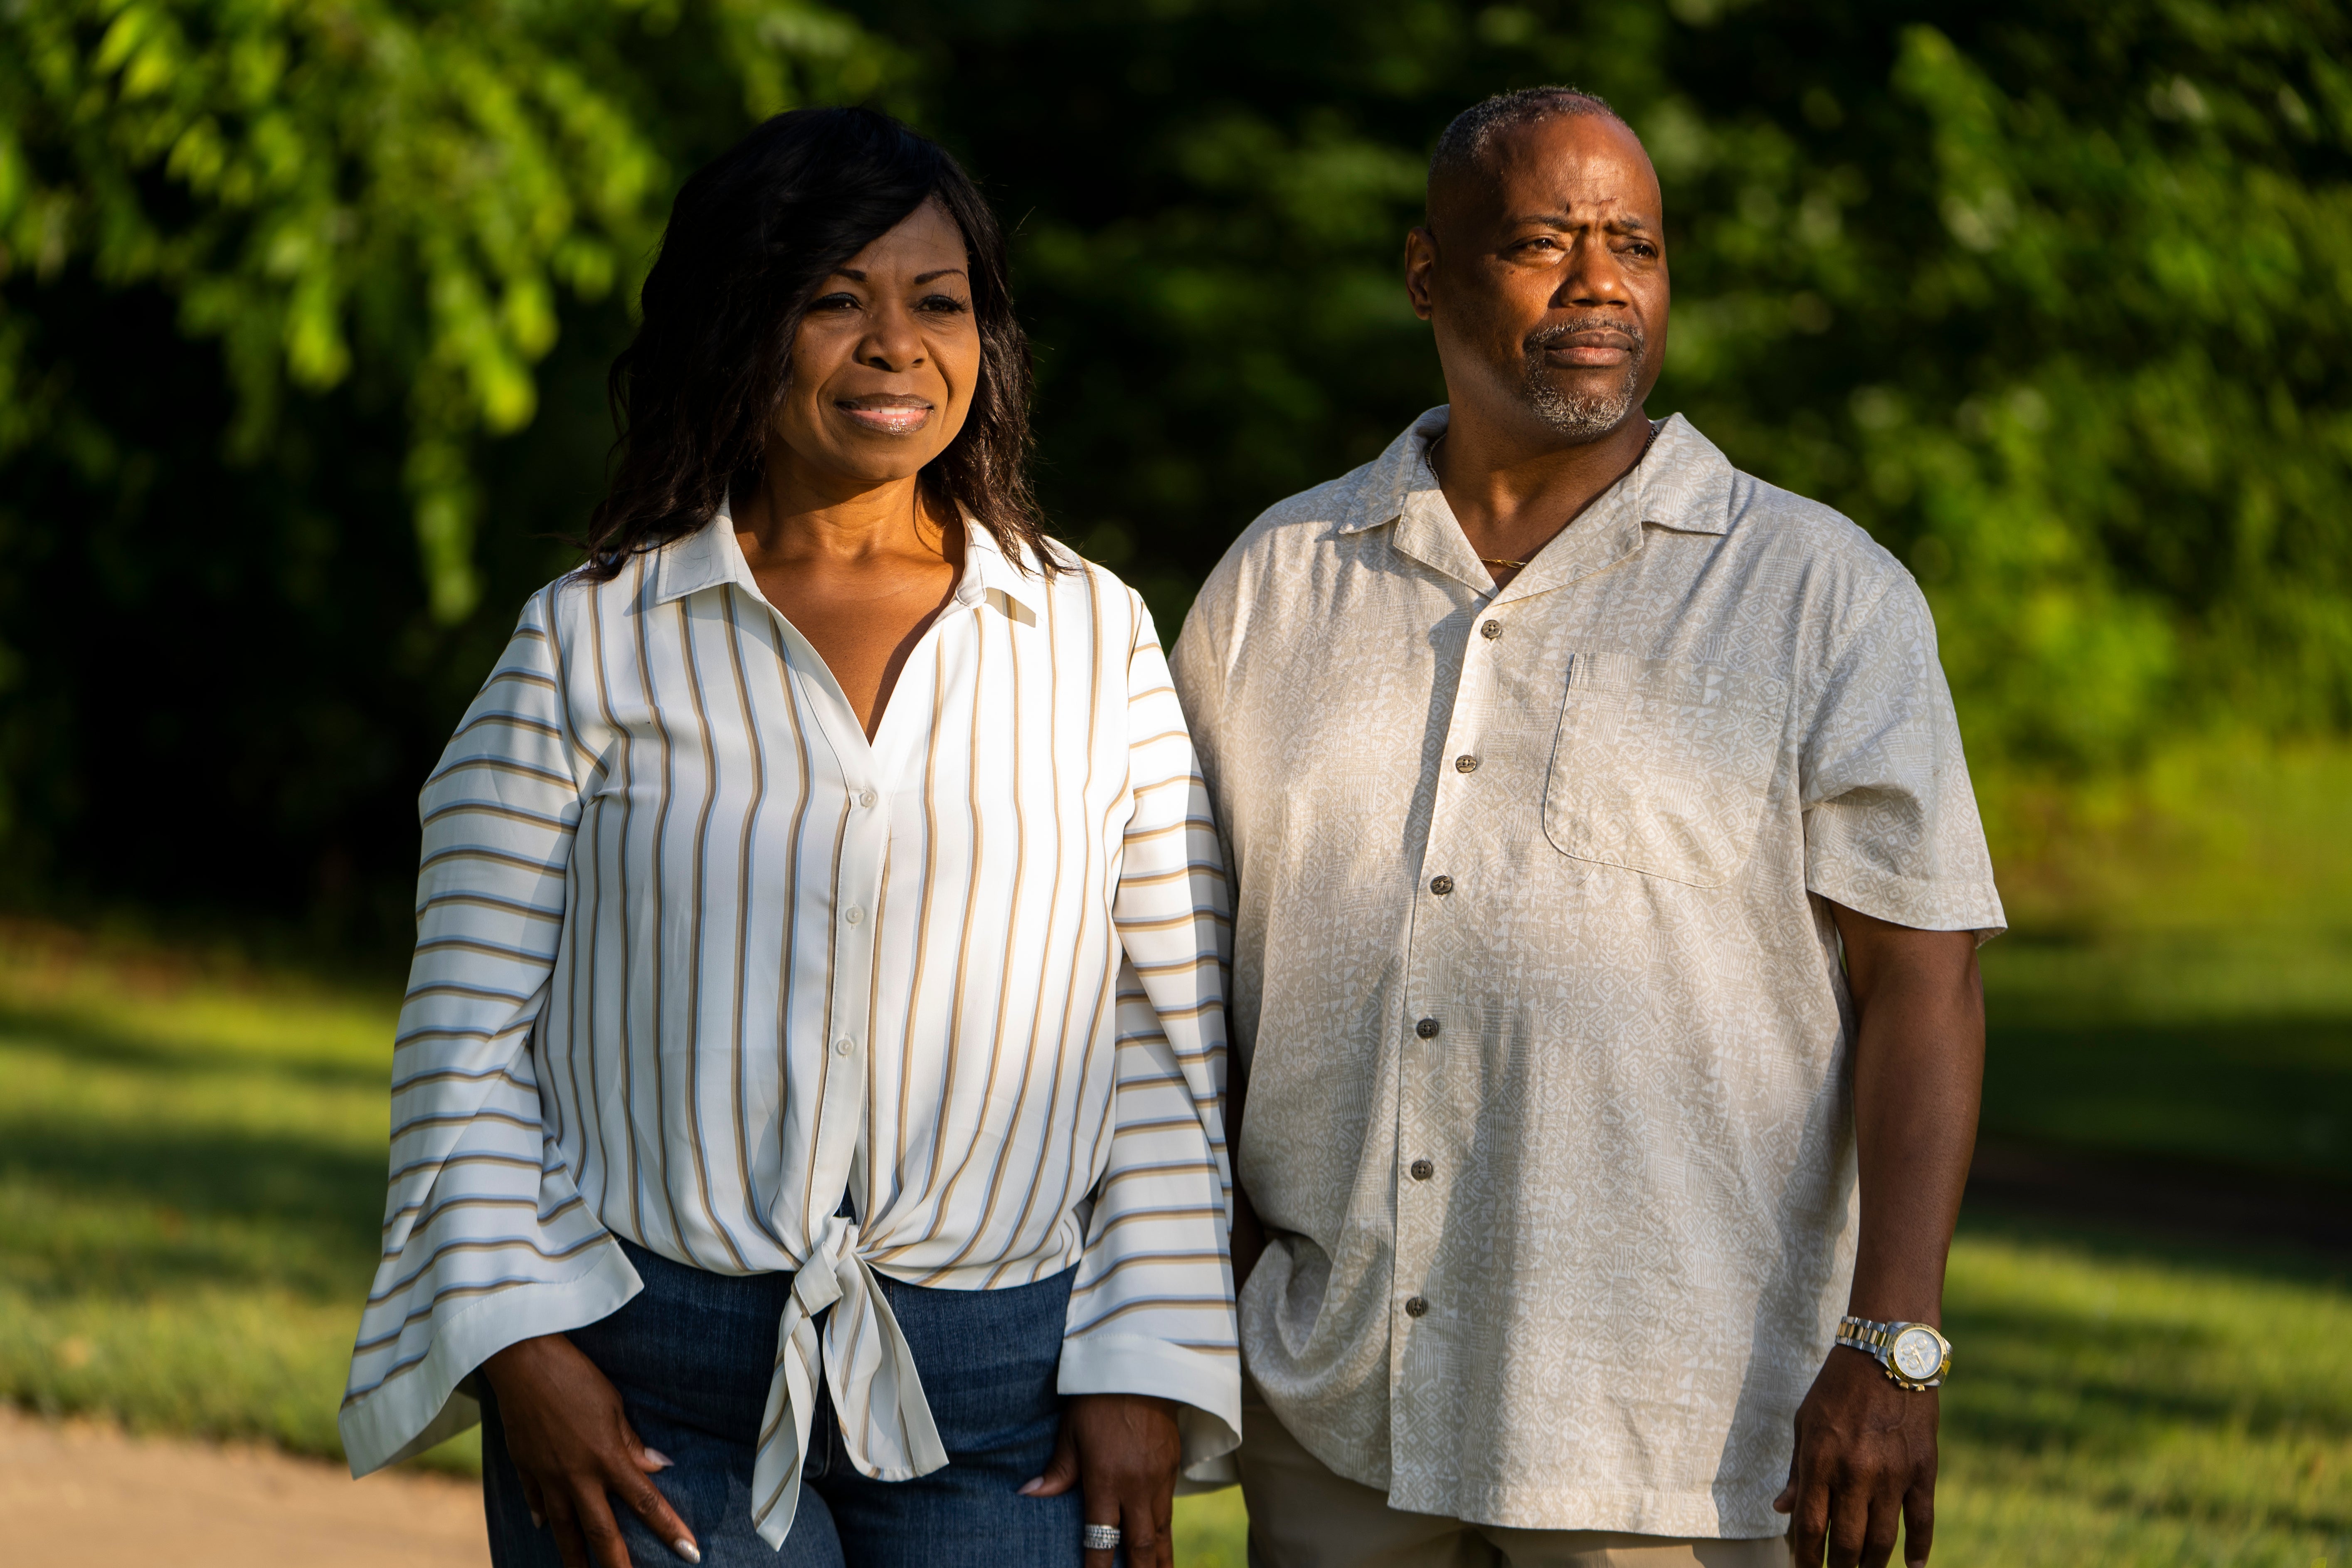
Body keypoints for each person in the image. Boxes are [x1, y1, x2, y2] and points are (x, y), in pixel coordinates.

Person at [339, 107, 1240, 1568]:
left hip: (1004, 1407)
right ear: (736, 327)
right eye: (834, 300)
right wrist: (516, 1340)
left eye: (936, 302)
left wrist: (1146, 1356)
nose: (895, 346)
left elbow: (1163, 1036)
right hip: (647, 1380)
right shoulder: (592, 641)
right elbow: (468, 1029)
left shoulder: (1095, 636)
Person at [1169, 87, 2004, 1568]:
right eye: (1543, 242)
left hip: (1674, 1432)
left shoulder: (1817, 593)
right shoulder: (1276, 583)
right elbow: (1181, 988)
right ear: (1426, 272)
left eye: (1635, 245)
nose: (1599, 284)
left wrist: (1892, 1342)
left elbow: (1923, 979)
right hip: (1335, 1414)